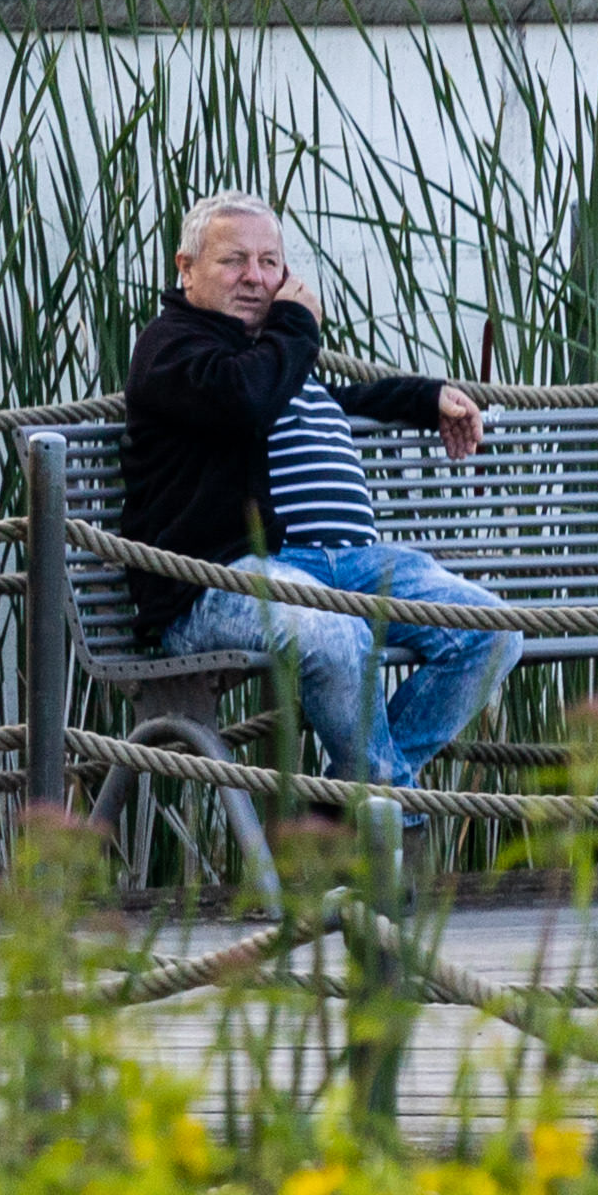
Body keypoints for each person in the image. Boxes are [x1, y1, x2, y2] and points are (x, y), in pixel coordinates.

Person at [119, 191, 512, 791]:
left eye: (269, 262)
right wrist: (297, 323)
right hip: (216, 581)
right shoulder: (172, 346)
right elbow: (246, 399)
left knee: (491, 632)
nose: (255, 277)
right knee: (335, 633)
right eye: (234, 261)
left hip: (348, 565)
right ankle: (383, 812)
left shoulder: (270, 356)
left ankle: (351, 799)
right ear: (187, 268)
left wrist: (423, 398)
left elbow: (328, 400)